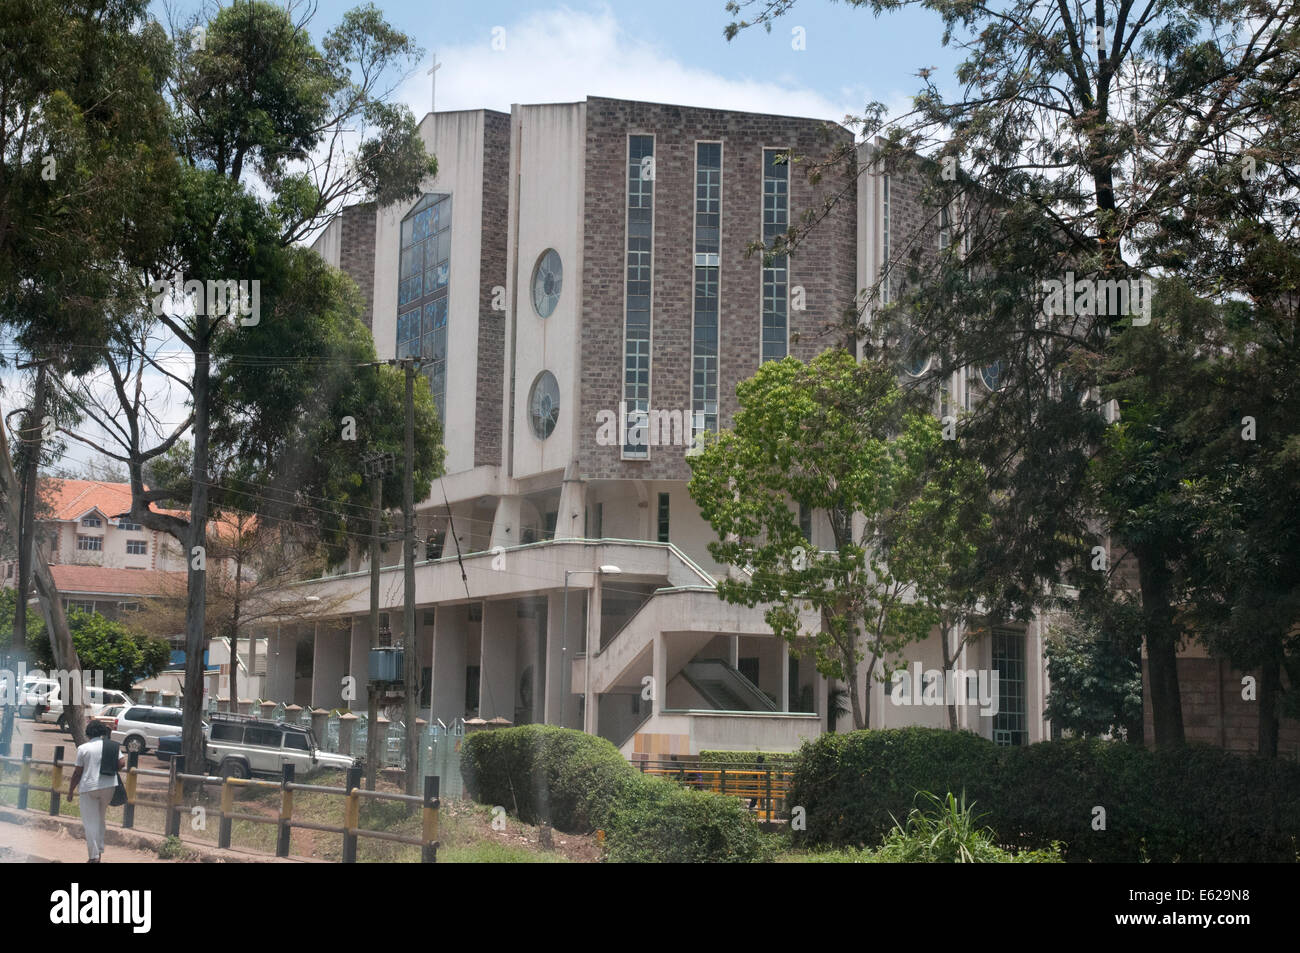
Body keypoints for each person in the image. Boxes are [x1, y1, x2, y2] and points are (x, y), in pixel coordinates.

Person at [67, 721, 125, 863]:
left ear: (88, 733)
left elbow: (77, 773)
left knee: (90, 822)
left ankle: (93, 857)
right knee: (100, 820)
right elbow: (122, 763)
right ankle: (99, 852)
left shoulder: (83, 748)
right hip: (109, 786)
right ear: (103, 732)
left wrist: (70, 791)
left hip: (89, 787)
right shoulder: (112, 746)